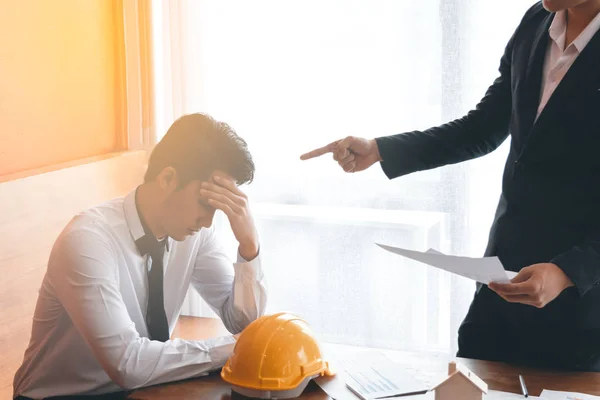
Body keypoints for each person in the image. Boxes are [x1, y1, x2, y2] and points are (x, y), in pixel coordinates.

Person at [301, 0, 600, 371]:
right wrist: (381, 150)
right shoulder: (537, 20)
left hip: (580, 309)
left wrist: (568, 271)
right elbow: (482, 127)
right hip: (500, 287)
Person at [14, 113, 268, 399]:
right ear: (168, 178)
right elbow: (127, 363)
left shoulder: (193, 235)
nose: (208, 221)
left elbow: (243, 322)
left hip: (144, 389)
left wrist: (248, 243)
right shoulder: (87, 241)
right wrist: (232, 348)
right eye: (205, 203)